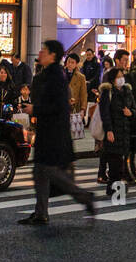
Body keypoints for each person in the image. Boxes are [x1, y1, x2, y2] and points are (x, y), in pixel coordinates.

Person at [19, 40, 97, 226]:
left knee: (49, 172)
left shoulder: (56, 76)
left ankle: (84, 197)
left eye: (44, 50)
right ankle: (41, 213)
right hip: (48, 131)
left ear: (52, 55)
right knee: (41, 172)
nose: (40, 52)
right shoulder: (48, 74)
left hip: (54, 134)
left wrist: (35, 109)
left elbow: (58, 106)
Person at [97, 66, 136, 197]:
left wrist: (130, 113)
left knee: (121, 162)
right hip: (113, 130)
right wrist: (109, 130)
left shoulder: (128, 91)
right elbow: (105, 113)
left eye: (122, 76)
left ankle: (113, 188)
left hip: (125, 131)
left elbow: (135, 109)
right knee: (115, 162)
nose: (121, 79)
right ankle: (114, 189)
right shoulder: (108, 93)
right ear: (113, 79)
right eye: (118, 76)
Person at [65, 53, 88, 119]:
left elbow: (83, 94)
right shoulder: (60, 75)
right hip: (62, 107)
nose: (70, 64)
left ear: (76, 64)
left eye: (72, 62)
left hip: (75, 107)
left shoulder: (81, 77)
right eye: (68, 62)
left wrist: (83, 109)